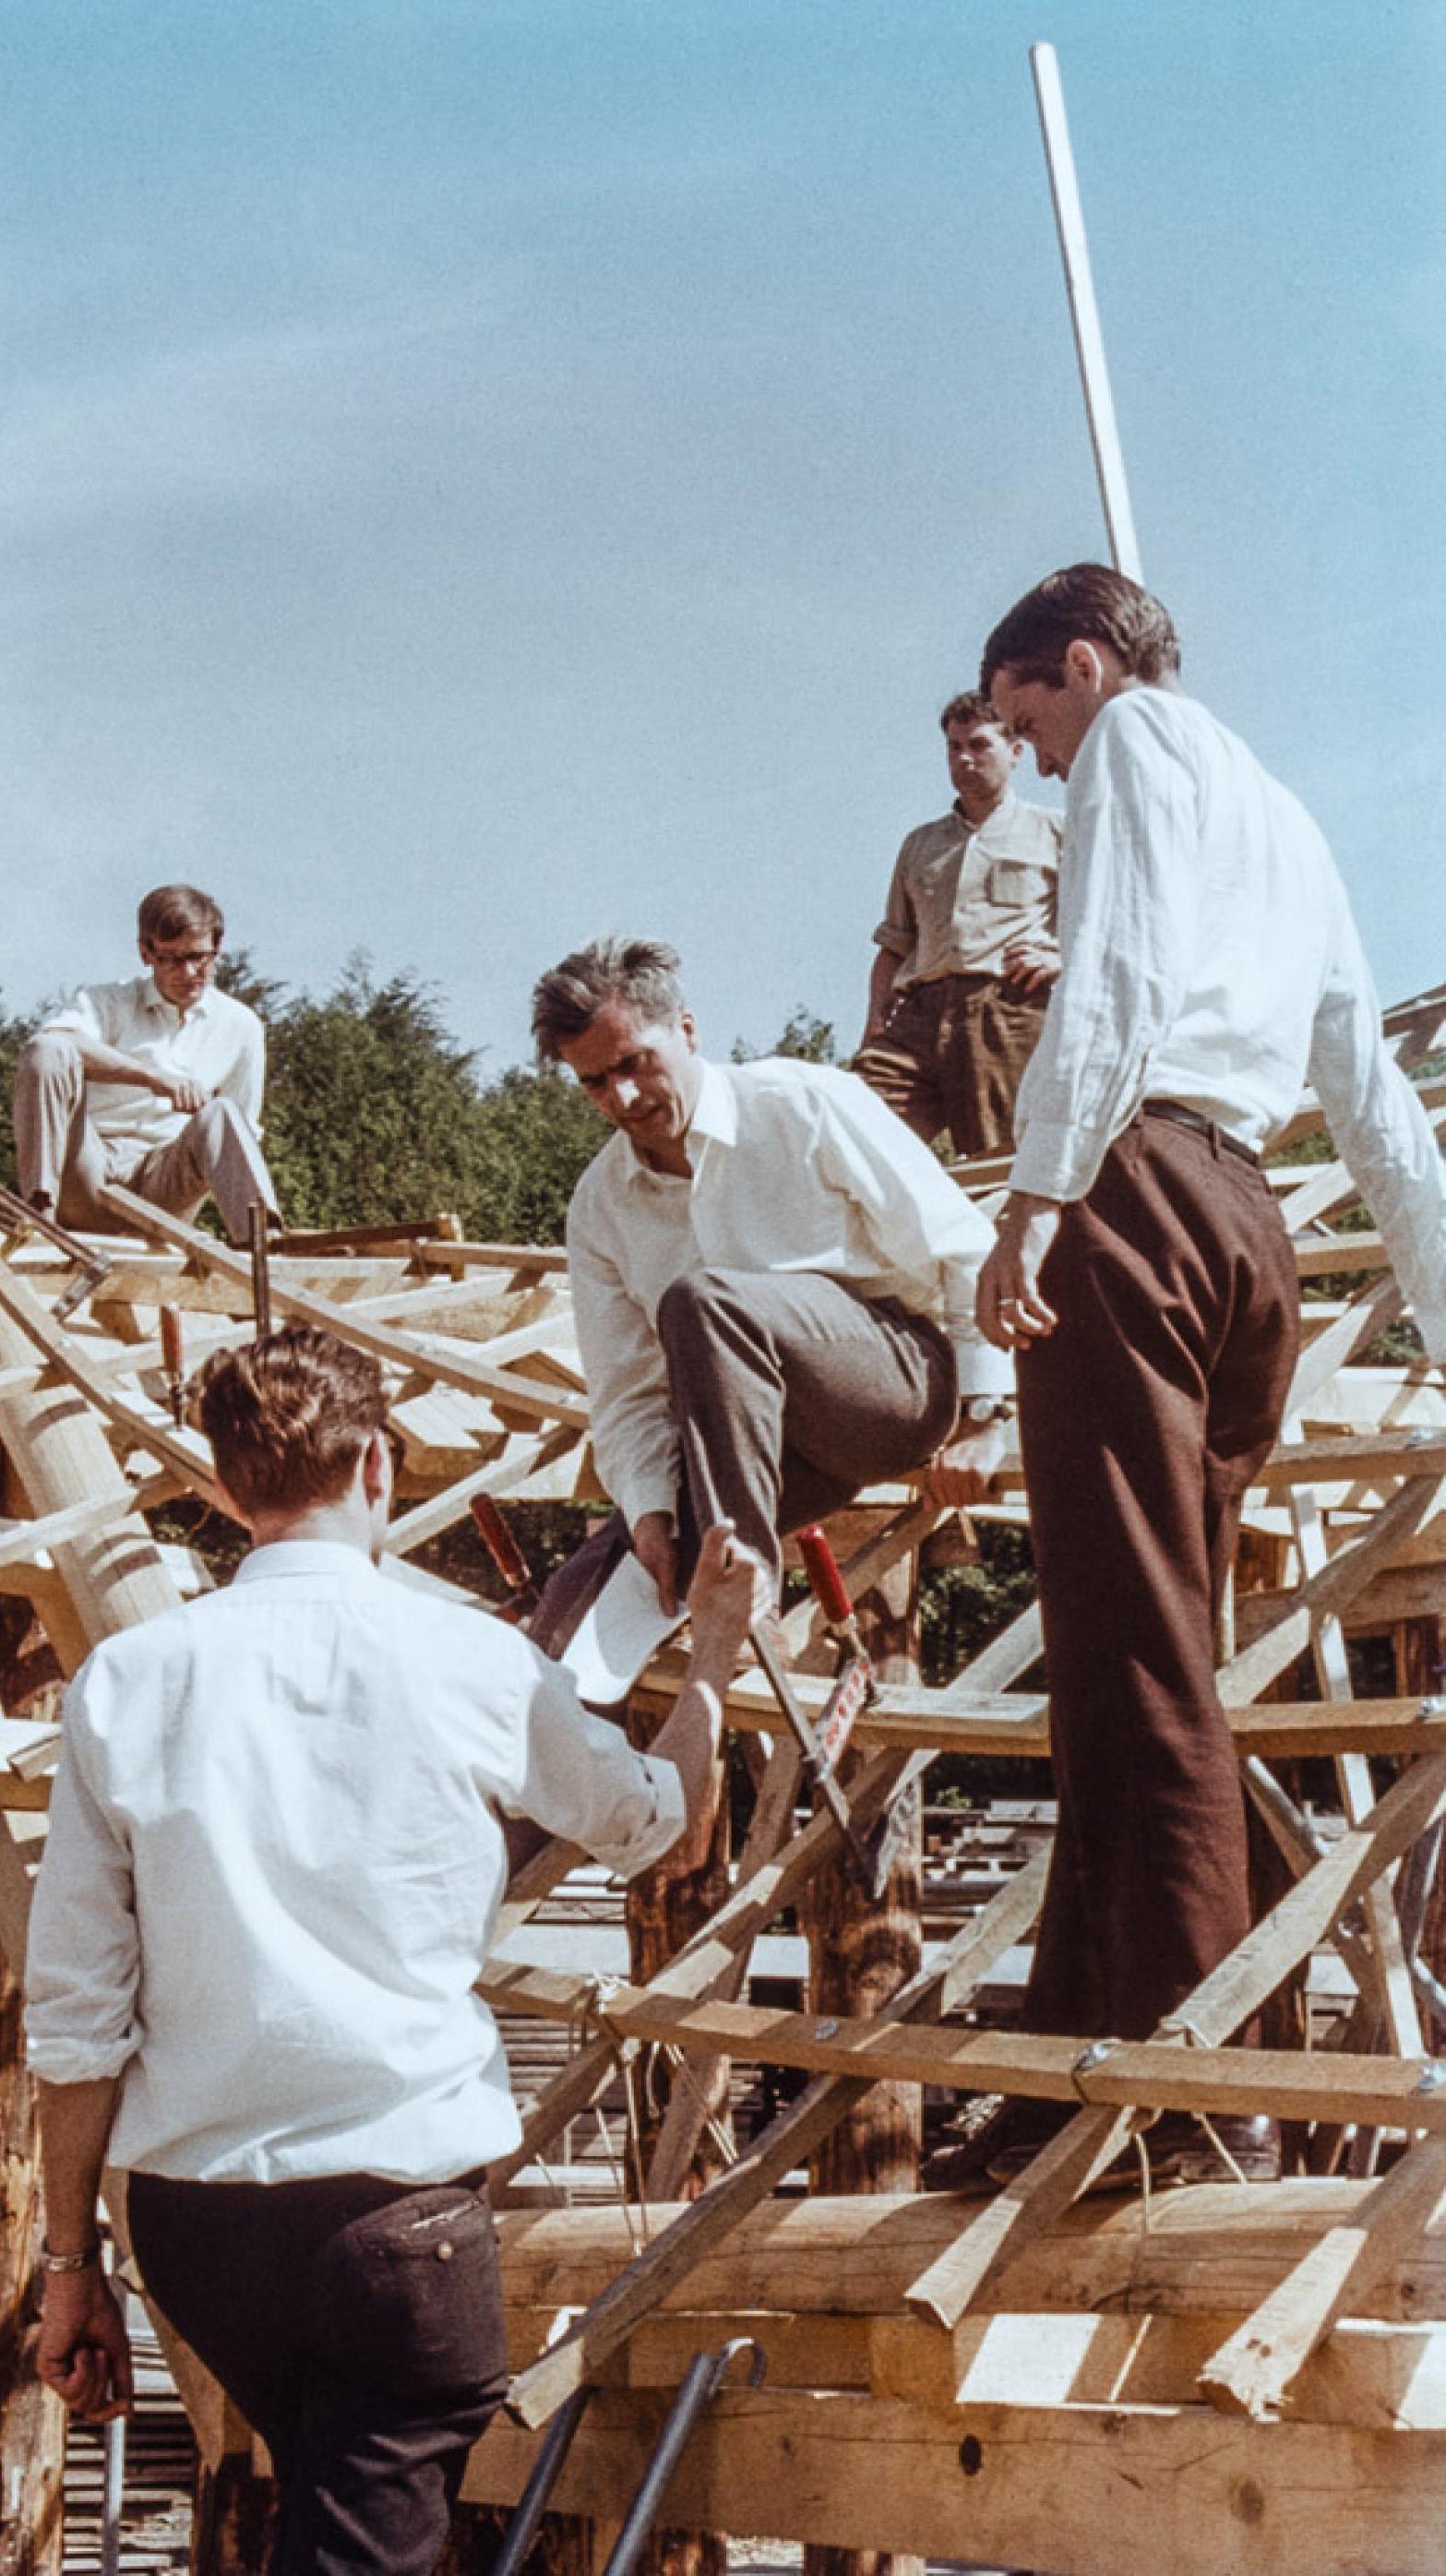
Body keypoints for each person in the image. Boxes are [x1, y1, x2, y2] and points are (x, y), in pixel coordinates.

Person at [25, 1321, 763, 2576]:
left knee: (330, 2518)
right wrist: (709, 1661)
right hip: (396, 2229)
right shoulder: (469, 1658)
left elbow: (77, 2020)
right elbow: (651, 1823)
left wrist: (67, 2262)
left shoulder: (126, 1682)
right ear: (384, 1466)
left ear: (219, 1488)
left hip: (199, 2233)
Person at [927, 562, 1446, 2192]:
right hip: (1247, 1225)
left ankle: (1195, 2095)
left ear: (1082, 667)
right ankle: (1071, 2065)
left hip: (1136, 1198)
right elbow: (1368, 1093)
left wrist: (1036, 1195)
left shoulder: (1141, 746)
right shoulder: (1289, 821)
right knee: (1138, 1642)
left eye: (1034, 723)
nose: (1046, 763)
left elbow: (1123, 976)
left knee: (1134, 1658)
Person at [531, 937, 1017, 1615]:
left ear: (688, 1032)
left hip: (890, 1389)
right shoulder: (601, 1203)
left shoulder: (804, 1104)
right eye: (594, 1082)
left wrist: (984, 1418)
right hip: (751, 1442)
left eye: (635, 1063)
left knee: (704, 1303)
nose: (625, 1096)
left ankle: (738, 1603)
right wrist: (649, 1518)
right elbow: (626, 1394)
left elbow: (964, 1250)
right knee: (585, 1596)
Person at [853, 690, 1062, 1159]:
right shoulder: (921, 844)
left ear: (1015, 752)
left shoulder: (1055, 832)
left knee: (1002, 1164)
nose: (965, 759)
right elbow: (893, 946)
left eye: (980, 745)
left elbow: (1101, 922)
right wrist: (874, 1022)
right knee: (855, 1136)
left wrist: (1061, 956)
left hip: (1007, 1010)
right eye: (954, 747)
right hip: (918, 1016)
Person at [12, 883, 281, 1240]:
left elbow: (243, 1133)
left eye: (198, 957)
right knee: (48, 1052)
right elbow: (52, 1045)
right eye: (171, 958)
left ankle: (264, 1247)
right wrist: (153, 1078)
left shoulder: (241, 1026)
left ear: (217, 951)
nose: (188, 973)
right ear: (145, 953)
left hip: (163, 1189)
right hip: (87, 1177)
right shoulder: (107, 1002)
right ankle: (38, 1215)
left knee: (224, 1114)